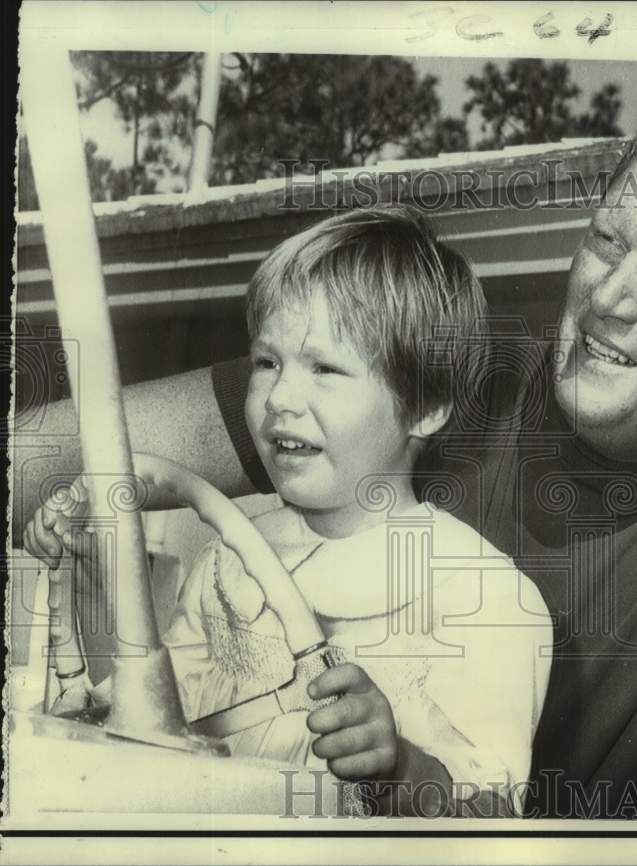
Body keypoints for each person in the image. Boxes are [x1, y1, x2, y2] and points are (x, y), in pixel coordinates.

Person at [17, 95, 637, 821]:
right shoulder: (440, 359)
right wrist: (77, 520)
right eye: (605, 240)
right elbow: (62, 456)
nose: (608, 297)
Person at [24, 207, 552, 818]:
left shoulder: (482, 597)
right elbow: (148, 725)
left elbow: (490, 818)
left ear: (426, 407)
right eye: (266, 362)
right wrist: (91, 569)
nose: (279, 398)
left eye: (325, 368)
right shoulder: (229, 557)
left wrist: (402, 767)